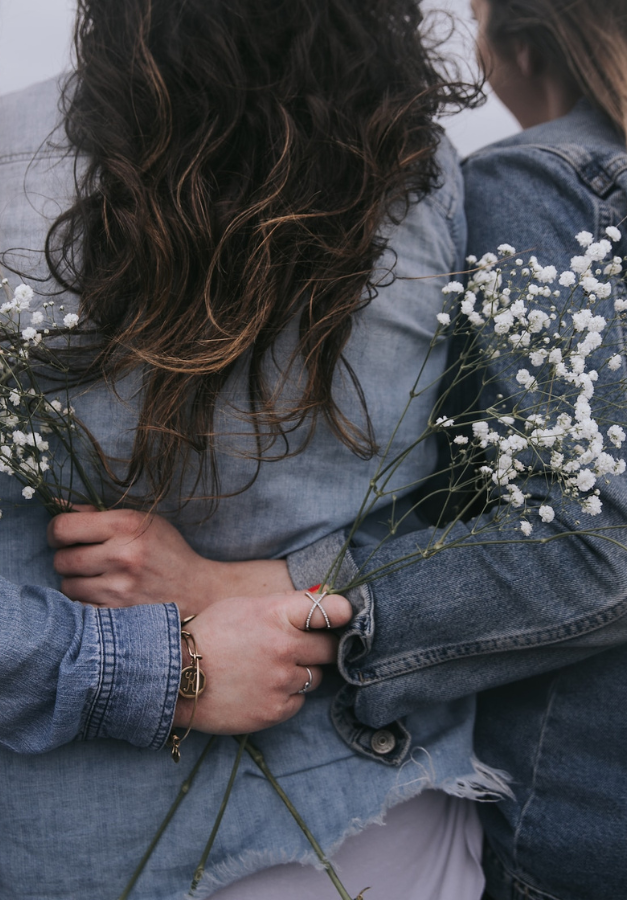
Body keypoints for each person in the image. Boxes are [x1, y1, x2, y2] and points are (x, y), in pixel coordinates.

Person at [58, 2, 627, 899]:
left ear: (518, 40)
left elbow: (598, 539)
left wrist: (272, 589)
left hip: (577, 822)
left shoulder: (544, 183)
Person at [0, 2, 498, 898]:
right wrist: (307, 580)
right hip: (358, 811)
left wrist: (226, 592)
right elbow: (488, 510)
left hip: (67, 835)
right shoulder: (426, 179)